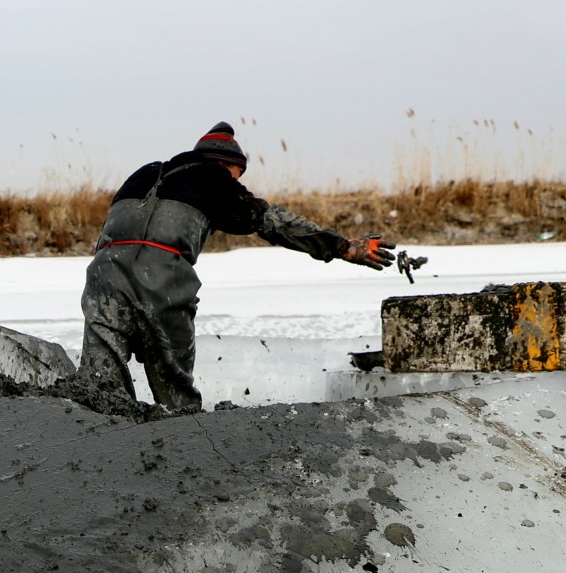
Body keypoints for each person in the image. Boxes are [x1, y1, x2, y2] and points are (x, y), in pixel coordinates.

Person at [79, 121, 393, 414]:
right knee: (176, 397)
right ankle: (183, 452)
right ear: (230, 166)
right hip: (162, 278)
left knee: (101, 392)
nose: (237, 182)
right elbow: (271, 221)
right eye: (237, 176)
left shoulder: (143, 174)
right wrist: (343, 247)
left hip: (103, 273)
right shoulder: (213, 177)